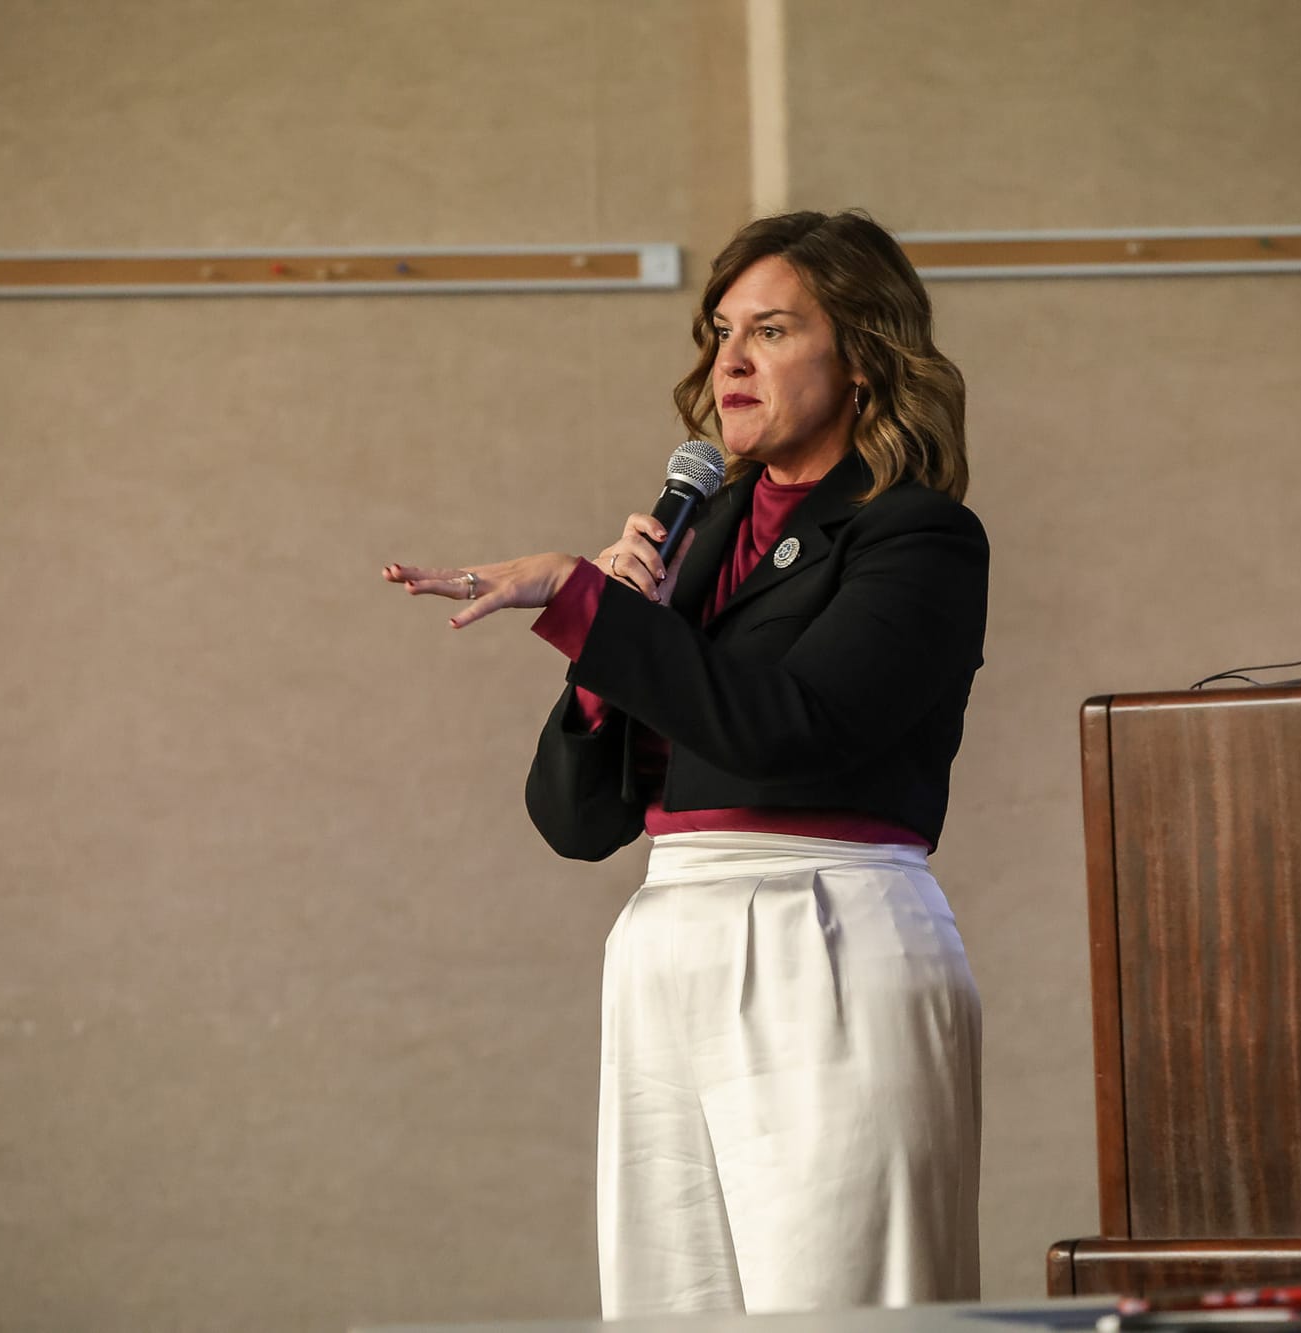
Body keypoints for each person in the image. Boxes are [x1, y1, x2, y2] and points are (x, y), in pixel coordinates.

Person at [384, 210, 986, 1317]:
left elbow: (785, 730)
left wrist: (582, 604)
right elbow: (572, 821)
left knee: (834, 1303)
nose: (731, 361)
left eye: (770, 329)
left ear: (859, 356)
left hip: (825, 933)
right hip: (666, 937)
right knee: (672, 1301)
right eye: (720, 332)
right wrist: (613, 653)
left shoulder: (916, 538)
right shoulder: (696, 536)